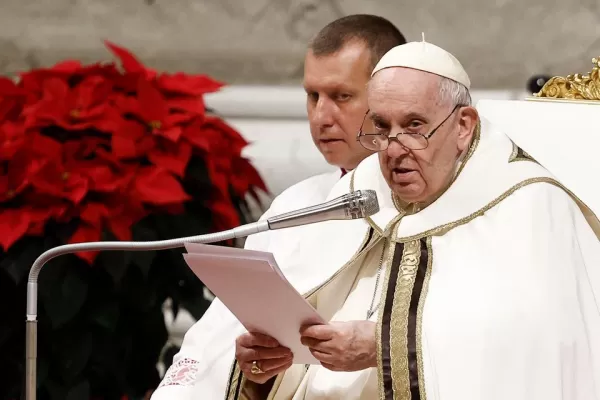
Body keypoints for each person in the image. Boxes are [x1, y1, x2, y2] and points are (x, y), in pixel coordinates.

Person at [227, 41, 600, 399]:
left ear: (463, 126)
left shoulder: (530, 202)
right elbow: (309, 337)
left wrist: (385, 347)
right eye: (381, 127)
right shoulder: (362, 194)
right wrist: (270, 366)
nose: (393, 148)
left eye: (414, 125)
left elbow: (545, 347)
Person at [151, 15, 406, 399]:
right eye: (312, 96)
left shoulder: (427, 209)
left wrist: (382, 348)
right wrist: (257, 372)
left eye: (341, 96)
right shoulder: (295, 204)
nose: (321, 116)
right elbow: (229, 351)